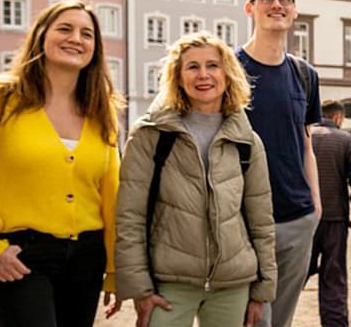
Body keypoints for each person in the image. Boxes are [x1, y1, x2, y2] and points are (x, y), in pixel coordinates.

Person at [0, 1, 125, 327]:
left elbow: (111, 194)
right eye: (64, 28)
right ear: (41, 36)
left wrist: (116, 268)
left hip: (86, 259)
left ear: (95, 48)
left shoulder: (100, 111)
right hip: (19, 255)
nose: (75, 38)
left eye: (86, 33)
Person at [115, 32, 276, 327]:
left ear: (227, 74)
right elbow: (130, 216)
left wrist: (262, 289)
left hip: (233, 284)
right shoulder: (150, 134)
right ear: (177, 76)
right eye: (192, 67)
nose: (203, 75)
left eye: (212, 65)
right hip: (168, 283)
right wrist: (140, 288)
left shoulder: (247, 141)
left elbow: (261, 221)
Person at [236, 0, 321, 327]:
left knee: (280, 322)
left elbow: (305, 140)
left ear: (294, 10)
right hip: (243, 222)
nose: (277, 5)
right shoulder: (230, 70)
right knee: (250, 320)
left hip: (296, 219)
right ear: (250, 7)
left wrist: (315, 206)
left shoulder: (304, 73)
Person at [308, 100, 351, 327]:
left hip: (304, 218)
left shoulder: (306, 136)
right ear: (338, 117)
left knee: (293, 274)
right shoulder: (346, 140)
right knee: (333, 277)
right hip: (335, 218)